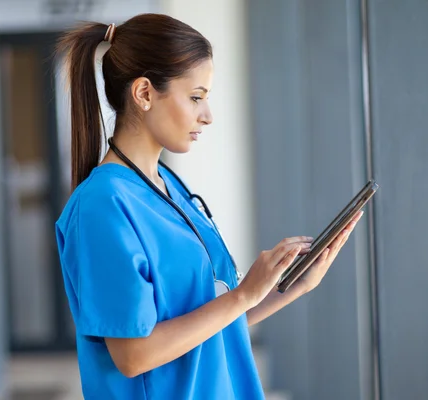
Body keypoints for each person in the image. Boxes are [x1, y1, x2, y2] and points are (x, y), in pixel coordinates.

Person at [54, 13, 362, 399]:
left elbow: (208, 328)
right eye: (196, 97)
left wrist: (289, 288)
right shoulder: (102, 206)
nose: (207, 115)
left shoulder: (170, 187)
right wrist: (242, 295)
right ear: (145, 93)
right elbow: (133, 354)